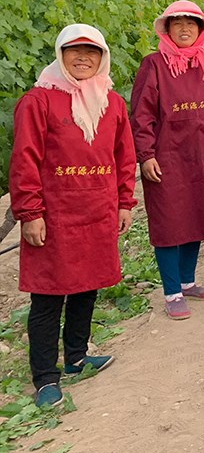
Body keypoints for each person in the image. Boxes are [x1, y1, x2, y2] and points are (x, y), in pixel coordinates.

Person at [10, 24, 137, 407]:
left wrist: (124, 202)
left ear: (103, 58)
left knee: (87, 285)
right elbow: (25, 159)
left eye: (92, 51)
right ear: (60, 54)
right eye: (74, 50)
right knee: (48, 295)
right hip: (55, 214)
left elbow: (123, 156)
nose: (83, 57)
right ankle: (45, 377)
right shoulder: (39, 100)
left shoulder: (112, 103)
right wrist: (30, 212)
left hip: (97, 210)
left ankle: (77, 358)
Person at [131, 1, 204, 321]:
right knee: (169, 222)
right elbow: (142, 114)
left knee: (197, 215)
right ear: (167, 29)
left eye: (191, 23)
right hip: (169, 158)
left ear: (201, 29)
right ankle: (171, 291)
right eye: (177, 23)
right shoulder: (154, 64)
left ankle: (188, 282)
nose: (184, 28)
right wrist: (146, 155)